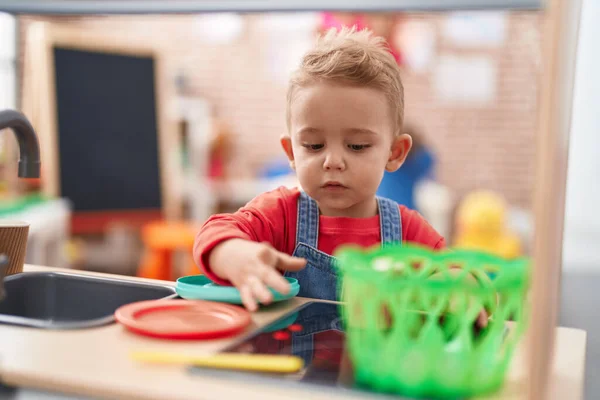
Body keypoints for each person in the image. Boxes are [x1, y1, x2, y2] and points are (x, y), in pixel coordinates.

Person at [193, 27, 445, 312]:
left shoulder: (408, 231)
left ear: (394, 153)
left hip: (376, 358)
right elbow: (213, 232)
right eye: (314, 145)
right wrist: (233, 253)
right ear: (291, 152)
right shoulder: (281, 215)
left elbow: (459, 274)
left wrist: (462, 288)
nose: (332, 161)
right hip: (289, 357)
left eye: (357, 146)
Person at [376, 124, 435, 211]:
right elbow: (429, 158)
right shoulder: (416, 165)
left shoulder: (386, 162)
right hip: (407, 208)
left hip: (385, 208)